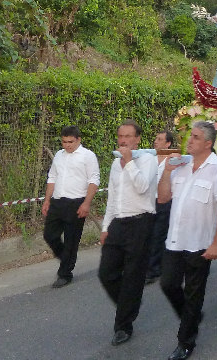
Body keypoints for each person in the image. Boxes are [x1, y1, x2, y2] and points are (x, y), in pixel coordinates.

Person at [158, 121, 217, 360]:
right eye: (190, 136)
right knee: (168, 284)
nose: (189, 140)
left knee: (193, 293)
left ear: (208, 144)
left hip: (201, 243)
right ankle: (191, 316)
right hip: (175, 240)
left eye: (196, 137)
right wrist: (167, 172)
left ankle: (185, 341)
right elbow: (163, 197)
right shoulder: (181, 166)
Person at [98, 120, 157, 346]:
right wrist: (105, 227)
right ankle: (130, 302)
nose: (123, 140)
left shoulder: (148, 160)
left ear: (137, 139)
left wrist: (130, 162)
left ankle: (123, 326)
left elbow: (142, 187)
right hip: (118, 224)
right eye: (120, 136)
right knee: (106, 273)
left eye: (128, 136)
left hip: (141, 222)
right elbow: (112, 197)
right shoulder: (115, 165)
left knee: (133, 274)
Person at [42, 125, 100, 288]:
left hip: (76, 203)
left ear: (78, 140)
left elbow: (94, 180)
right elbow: (52, 177)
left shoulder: (88, 156)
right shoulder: (59, 156)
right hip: (57, 201)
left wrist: (86, 203)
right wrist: (47, 200)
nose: (67, 145)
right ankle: (65, 257)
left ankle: (65, 273)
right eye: (64, 142)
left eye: (70, 142)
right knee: (49, 235)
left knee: (71, 240)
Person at [146, 130, 175, 285]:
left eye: (160, 139)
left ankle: (153, 270)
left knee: (158, 235)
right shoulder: (150, 158)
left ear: (168, 143)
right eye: (155, 138)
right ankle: (158, 265)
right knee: (151, 234)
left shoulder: (172, 160)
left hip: (165, 201)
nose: (155, 141)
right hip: (150, 201)